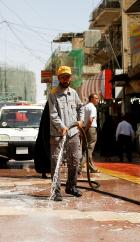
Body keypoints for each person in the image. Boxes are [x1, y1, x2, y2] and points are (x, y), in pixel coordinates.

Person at [48, 65, 84, 201]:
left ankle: (71, 186)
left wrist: (80, 120)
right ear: (59, 78)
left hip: (73, 133)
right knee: (56, 162)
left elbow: (81, 108)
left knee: (75, 160)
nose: (65, 79)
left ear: (70, 78)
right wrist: (61, 127)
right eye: (62, 77)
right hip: (58, 135)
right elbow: (53, 114)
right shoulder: (53, 94)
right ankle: (56, 191)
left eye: (67, 77)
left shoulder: (74, 93)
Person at [81, 93, 100, 173]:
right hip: (90, 129)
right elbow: (90, 120)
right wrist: (86, 130)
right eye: (96, 98)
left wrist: (83, 130)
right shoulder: (92, 108)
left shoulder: (85, 106)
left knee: (86, 148)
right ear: (91, 99)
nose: (98, 100)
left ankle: (92, 168)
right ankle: (79, 166)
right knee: (89, 149)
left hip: (85, 128)